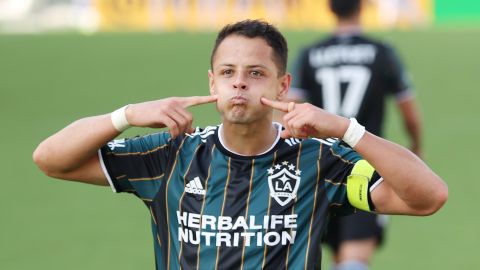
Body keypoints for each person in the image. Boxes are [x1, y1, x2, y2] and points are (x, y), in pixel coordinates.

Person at [33, 19, 447, 270]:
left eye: (255, 72)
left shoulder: (319, 160)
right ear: (212, 82)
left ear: (283, 86)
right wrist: (124, 116)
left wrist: (346, 130)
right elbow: (51, 160)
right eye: (228, 71)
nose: (240, 83)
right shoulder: (170, 154)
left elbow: (428, 198)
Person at [290, 1, 423, 269]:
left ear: (329, 9)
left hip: (317, 166)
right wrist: (415, 146)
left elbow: (289, 111)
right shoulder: (382, 52)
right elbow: (408, 112)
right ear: (362, 7)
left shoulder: (309, 54)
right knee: (354, 259)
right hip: (364, 166)